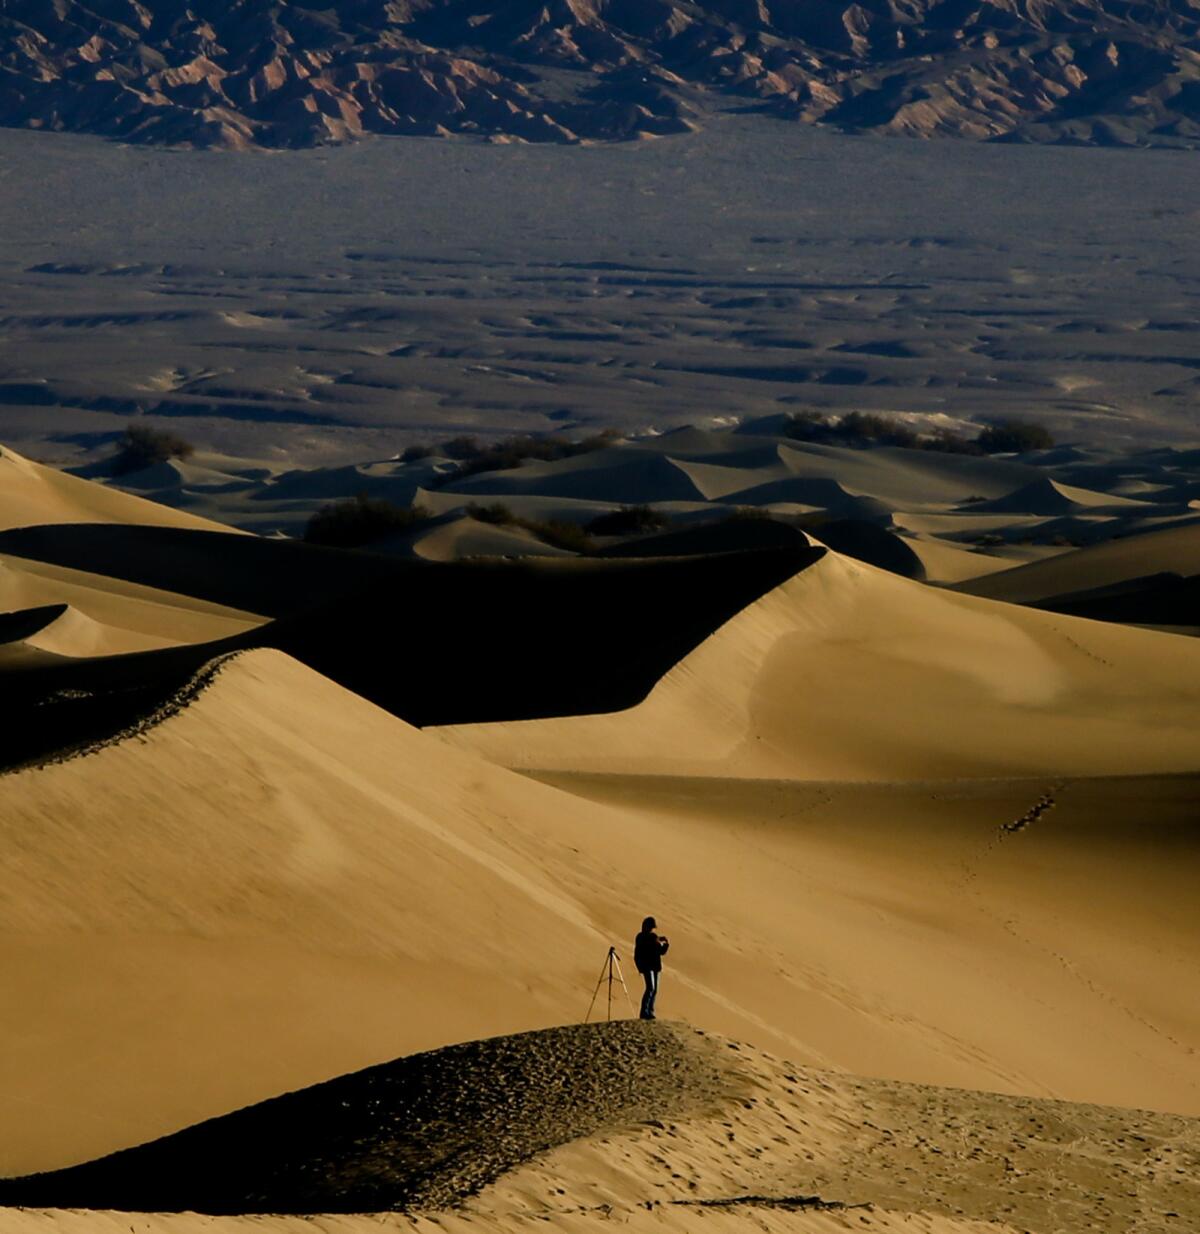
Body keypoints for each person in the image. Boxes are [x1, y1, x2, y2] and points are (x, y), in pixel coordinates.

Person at [634, 915, 669, 1020]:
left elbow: (659, 950)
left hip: (652, 967)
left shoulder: (643, 937)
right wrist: (665, 944)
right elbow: (660, 950)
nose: (651, 929)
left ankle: (649, 1011)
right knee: (651, 988)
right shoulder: (649, 937)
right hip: (649, 967)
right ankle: (645, 1012)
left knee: (653, 990)